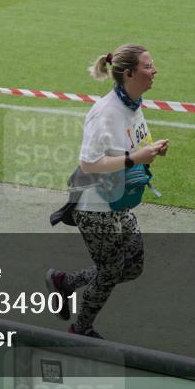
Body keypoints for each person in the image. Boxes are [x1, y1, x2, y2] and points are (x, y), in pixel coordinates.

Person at [45, 44, 169, 338]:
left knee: (133, 266)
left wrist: (149, 150)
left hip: (119, 200)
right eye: (148, 66)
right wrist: (135, 159)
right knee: (111, 271)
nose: (155, 71)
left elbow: (131, 145)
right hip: (94, 205)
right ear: (128, 73)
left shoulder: (133, 103)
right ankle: (81, 329)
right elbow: (88, 163)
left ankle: (65, 282)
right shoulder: (105, 112)